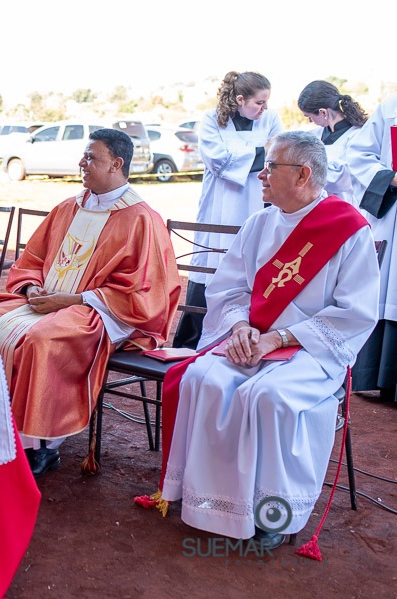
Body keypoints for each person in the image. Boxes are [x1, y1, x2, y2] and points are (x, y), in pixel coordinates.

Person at [157, 132, 379, 549]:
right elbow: (230, 289)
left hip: (311, 349)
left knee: (268, 397)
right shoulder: (259, 223)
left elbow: (356, 312)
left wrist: (279, 338)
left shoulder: (349, 230)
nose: (260, 174)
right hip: (252, 337)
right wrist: (240, 327)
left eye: (271, 166)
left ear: (303, 174)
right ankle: (210, 502)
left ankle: (271, 514)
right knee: (203, 379)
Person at [0, 129, 180, 477]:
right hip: (48, 301)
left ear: (116, 164)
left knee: (41, 340)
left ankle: (40, 445)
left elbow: (144, 290)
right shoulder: (69, 207)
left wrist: (74, 299)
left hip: (104, 310)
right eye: (84, 155)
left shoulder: (141, 219)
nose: (82, 163)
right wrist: (31, 288)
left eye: (91, 157)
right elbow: (32, 259)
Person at [174, 71, 283, 349]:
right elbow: (219, 161)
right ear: (240, 99)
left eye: (266, 102)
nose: (264, 108)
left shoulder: (270, 119)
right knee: (211, 266)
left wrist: (257, 154)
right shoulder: (213, 119)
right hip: (220, 204)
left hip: (259, 201)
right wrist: (262, 152)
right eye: (259, 102)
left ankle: (246, 337)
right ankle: (192, 345)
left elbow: (279, 154)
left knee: (254, 268)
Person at [346, 94, 397, 401]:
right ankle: (382, 378)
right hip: (394, 214)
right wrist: (390, 178)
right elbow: (358, 155)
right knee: (389, 291)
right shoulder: (390, 109)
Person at [297, 80, 368, 206]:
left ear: (323, 112)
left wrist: (306, 173)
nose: (310, 121)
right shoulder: (314, 135)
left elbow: (344, 179)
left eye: (309, 117)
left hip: (347, 205)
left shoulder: (357, 136)